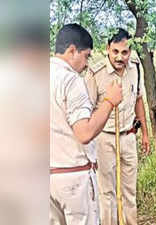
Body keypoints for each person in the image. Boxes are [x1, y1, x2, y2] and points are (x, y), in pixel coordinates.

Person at [50, 23, 122, 225]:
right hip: (73, 178)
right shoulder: (71, 81)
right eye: (86, 56)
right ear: (72, 50)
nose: (87, 64)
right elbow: (84, 132)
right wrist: (109, 101)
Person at [85, 28, 150, 225]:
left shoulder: (135, 68)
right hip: (104, 138)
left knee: (130, 191)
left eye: (124, 52)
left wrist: (145, 134)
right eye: (115, 52)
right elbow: (86, 113)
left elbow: (139, 100)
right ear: (107, 49)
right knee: (107, 193)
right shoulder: (95, 73)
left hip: (129, 136)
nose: (120, 57)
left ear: (130, 51)